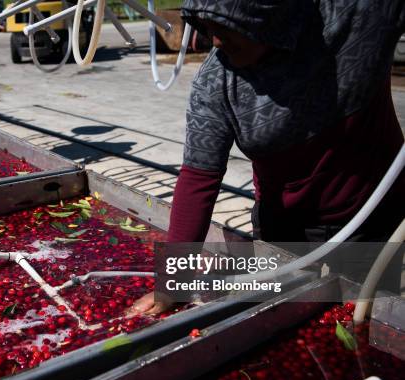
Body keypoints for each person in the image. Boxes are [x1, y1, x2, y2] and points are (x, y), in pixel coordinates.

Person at [130, 0, 405, 315]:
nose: (217, 41)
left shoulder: (358, 18)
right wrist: (171, 282)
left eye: (229, 26)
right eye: (209, 28)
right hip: (284, 230)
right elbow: (198, 178)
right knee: (288, 322)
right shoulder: (216, 83)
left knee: (367, 324)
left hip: (371, 221)